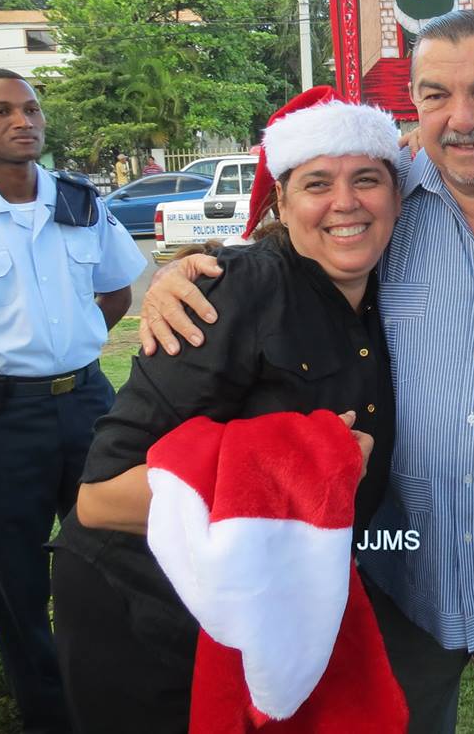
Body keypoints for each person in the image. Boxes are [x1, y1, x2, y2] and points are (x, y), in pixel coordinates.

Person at [138, 10, 474, 733]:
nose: (460, 118)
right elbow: (289, 250)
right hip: (393, 562)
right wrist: (191, 272)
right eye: (435, 95)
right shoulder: (379, 203)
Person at [50, 89, 403, 734]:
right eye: (317, 183)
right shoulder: (235, 289)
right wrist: (301, 473)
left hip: (268, 607)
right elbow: (102, 496)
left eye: (367, 180)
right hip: (154, 614)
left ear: (397, 197)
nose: (346, 203)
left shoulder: (388, 284)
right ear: (282, 200)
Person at [0, 68, 145, 734]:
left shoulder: (78, 203)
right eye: (2, 111)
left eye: (31, 109)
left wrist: (71, 350)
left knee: (125, 561)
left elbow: (114, 292)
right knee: (17, 582)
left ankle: (130, 706)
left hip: (88, 402)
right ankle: (52, 719)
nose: (24, 121)